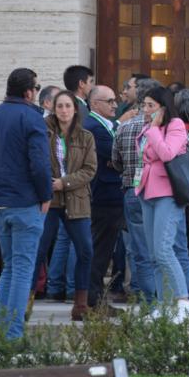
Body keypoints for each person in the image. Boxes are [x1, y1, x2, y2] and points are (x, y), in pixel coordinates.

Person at [0, 68, 52, 341]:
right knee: (21, 269)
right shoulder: (32, 118)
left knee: (10, 267)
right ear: (29, 92)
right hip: (25, 201)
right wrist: (45, 195)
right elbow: (40, 164)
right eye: (37, 88)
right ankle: (13, 335)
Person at [30, 91, 97, 321]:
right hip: (48, 199)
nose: (64, 110)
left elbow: (90, 169)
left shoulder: (86, 136)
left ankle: (80, 305)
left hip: (77, 199)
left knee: (85, 250)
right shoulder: (42, 132)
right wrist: (48, 184)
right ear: (53, 108)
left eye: (68, 106)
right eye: (60, 106)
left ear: (75, 109)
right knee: (37, 250)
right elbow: (35, 161)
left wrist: (64, 182)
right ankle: (25, 302)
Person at [136, 86, 189, 322]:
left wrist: (153, 130)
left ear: (163, 108)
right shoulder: (150, 127)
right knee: (153, 254)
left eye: (151, 105)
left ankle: (183, 302)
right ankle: (163, 305)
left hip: (168, 193)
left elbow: (168, 153)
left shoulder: (175, 125)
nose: (146, 110)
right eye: (144, 105)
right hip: (146, 191)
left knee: (164, 249)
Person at [112, 78, 160, 302]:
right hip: (159, 191)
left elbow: (116, 161)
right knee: (161, 246)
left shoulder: (125, 127)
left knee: (138, 246)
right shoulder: (163, 127)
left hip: (132, 189)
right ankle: (161, 294)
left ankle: (143, 293)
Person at [85, 85, 124, 311]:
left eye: (114, 100)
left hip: (109, 195)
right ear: (95, 103)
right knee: (99, 250)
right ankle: (93, 299)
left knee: (103, 250)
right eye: (109, 101)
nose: (115, 105)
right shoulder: (93, 127)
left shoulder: (105, 125)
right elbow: (116, 155)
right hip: (103, 197)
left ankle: (95, 297)